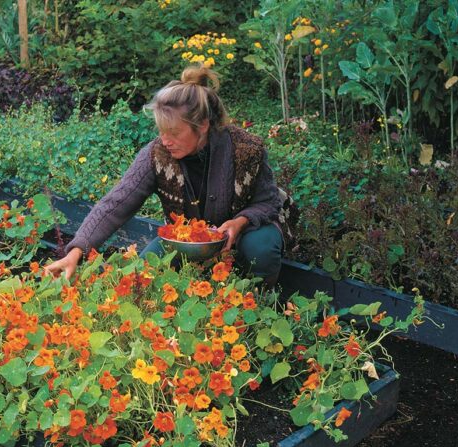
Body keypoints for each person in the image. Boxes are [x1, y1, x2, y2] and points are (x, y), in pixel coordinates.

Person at [45, 66, 284, 288]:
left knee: (260, 249)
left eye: (174, 132)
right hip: (188, 241)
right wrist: (76, 251)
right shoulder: (157, 154)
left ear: (202, 125)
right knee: (146, 271)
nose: (165, 140)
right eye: (161, 131)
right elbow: (115, 203)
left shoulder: (246, 149)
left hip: (246, 234)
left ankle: (258, 301)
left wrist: (239, 223)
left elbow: (269, 202)